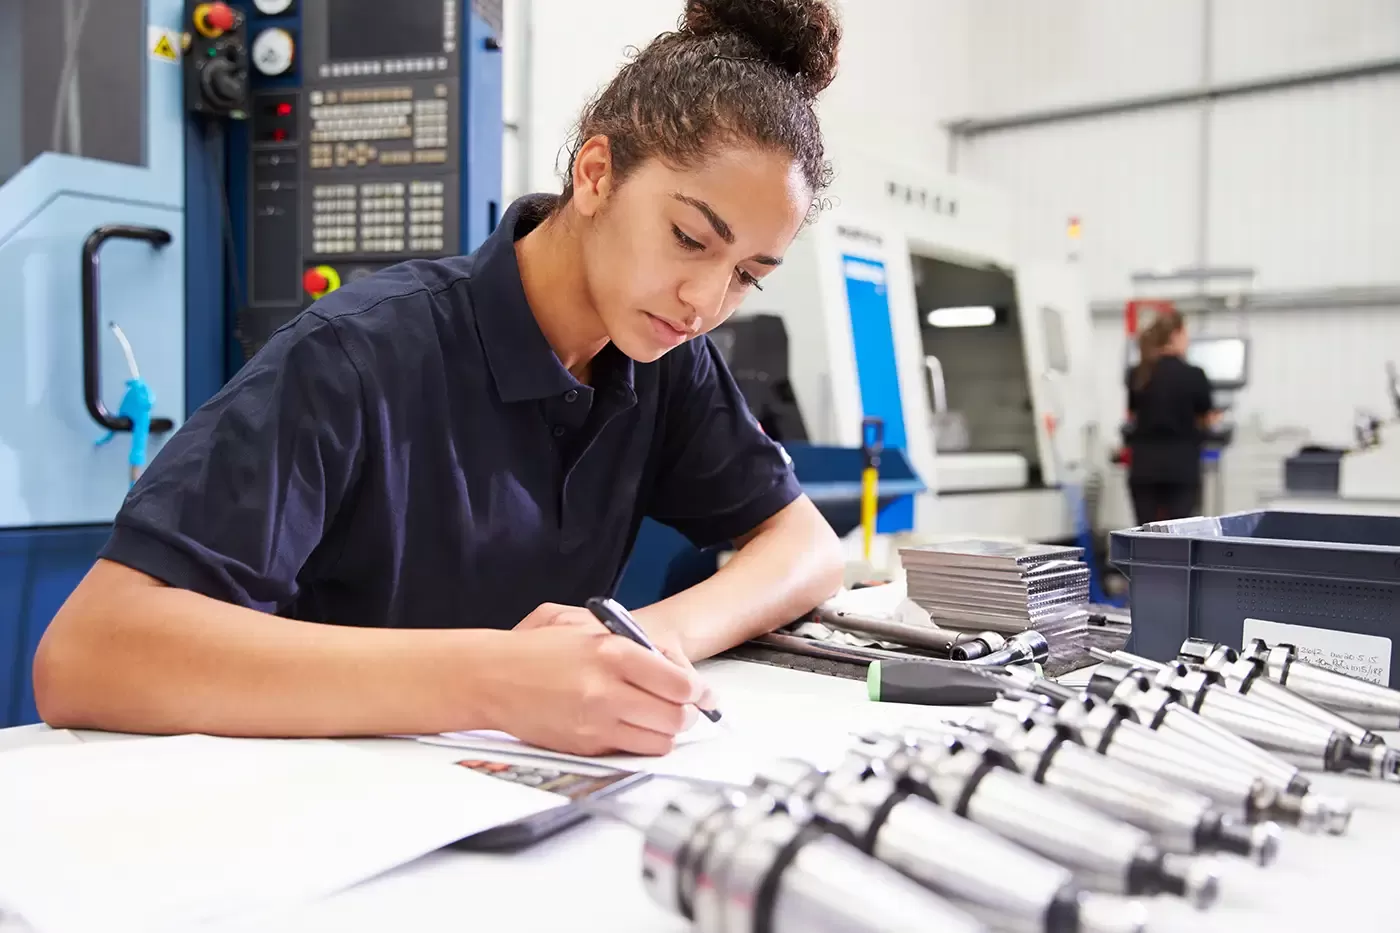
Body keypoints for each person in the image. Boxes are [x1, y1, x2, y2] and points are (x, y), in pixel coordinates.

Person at [33, 0, 847, 756]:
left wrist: (652, 634)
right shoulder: (359, 354)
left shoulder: (665, 363)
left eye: (747, 275)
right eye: (688, 237)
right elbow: (88, 652)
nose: (705, 302)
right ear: (596, 174)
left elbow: (805, 545)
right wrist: (495, 679)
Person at [1124, 310, 1218, 524]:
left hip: (1143, 467)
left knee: (1145, 533)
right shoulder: (1194, 374)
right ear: (1175, 336)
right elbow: (1206, 418)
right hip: (1181, 467)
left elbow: (1133, 415)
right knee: (1177, 535)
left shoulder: (1137, 373)